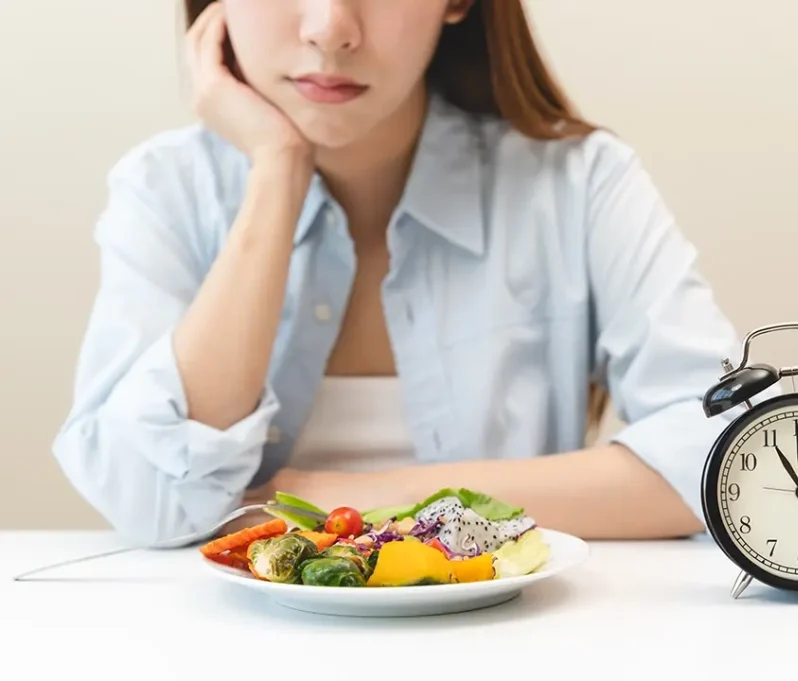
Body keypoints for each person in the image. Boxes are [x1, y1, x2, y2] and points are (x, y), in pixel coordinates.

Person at [53, 0, 749, 546]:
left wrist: (348, 501)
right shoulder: (167, 187)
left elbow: (733, 453)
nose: (330, 28)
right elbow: (149, 496)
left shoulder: (579, 181)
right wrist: (278, 169)